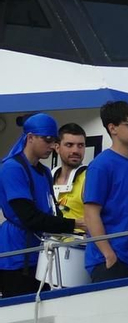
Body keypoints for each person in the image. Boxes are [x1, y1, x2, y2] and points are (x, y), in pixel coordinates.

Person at [0, 114, 77, 297]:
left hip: (41, 254)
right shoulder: (12, 168)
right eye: (47, 140)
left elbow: (52, 211)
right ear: (30, 137)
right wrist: (73, 224)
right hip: (16, 255)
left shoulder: (44, 172)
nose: (52, 146)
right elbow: (29, 217)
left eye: (55, 141)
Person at [80, 99, 128, 283]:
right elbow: (91, 214)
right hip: (111, 260)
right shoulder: (101, 165)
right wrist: (108, 254)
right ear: (113, 128)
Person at [51, 122, 88, 222]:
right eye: (69, 145)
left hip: (81, 236)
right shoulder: (48, 176)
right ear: (57, 148)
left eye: (80, 145)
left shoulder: (89, 178)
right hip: (48, 236)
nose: (75, 150)